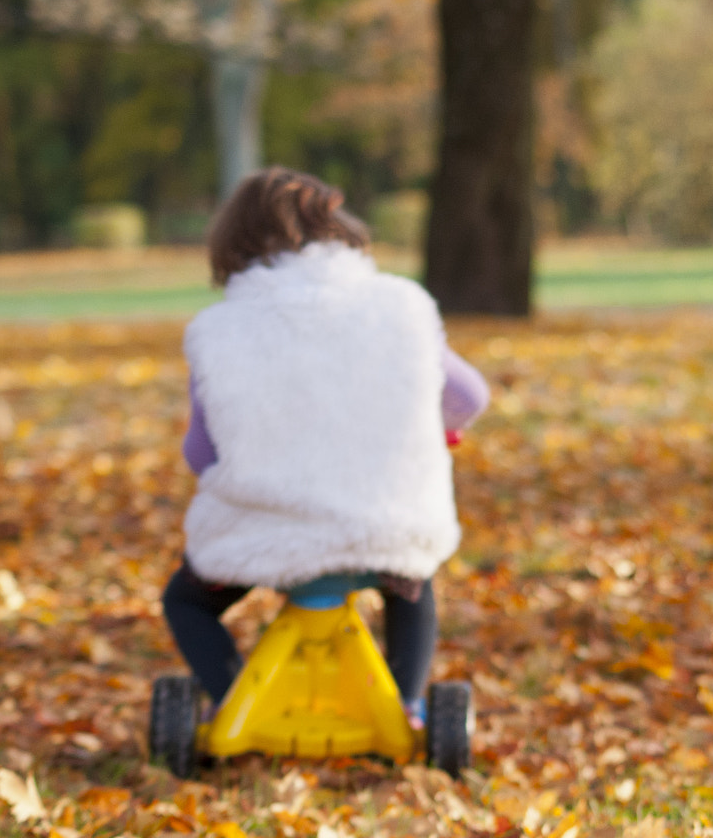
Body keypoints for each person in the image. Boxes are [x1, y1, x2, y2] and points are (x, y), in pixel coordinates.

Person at [160, 167, 488, 729]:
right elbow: (468, 397)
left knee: (185, 601)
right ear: (337, 227)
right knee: (411, 586)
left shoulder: (221, 329)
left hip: (265, 534)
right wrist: (423, 424)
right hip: (382, 529)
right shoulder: (401, 309)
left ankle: (234, 700)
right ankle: (407, 705)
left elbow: (201, 454)